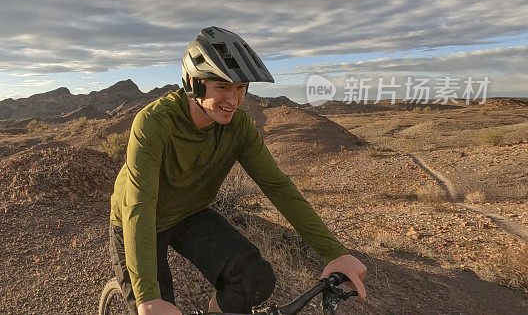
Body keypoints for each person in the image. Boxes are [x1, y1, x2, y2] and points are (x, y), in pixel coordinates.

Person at [108, 27, 367, 315]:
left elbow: (277, 187)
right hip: (138, 220)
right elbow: (139, 207)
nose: (234, 99)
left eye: (241, 87)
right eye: (222, 87)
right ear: (193, 83)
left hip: (189, 213)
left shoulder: (239, 127)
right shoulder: (154, 123)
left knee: (253, 279)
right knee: (157, 306)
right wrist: (147, 298)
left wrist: (336, 252)